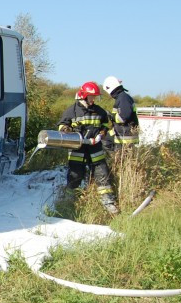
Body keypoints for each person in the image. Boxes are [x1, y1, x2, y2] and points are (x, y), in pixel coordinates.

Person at [58, 81, 120, 215]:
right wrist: (66, 129)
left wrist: (102, 133)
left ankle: (108, 202)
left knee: (102, 173)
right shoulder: (71, 111)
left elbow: (105, 124)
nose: (93, 99)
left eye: (95, 97)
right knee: (75, 175)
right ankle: (69, 200)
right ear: (84, 96)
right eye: (92, 97)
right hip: (78, 149)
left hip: (95, 149)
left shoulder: (99, 111)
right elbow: (62, 125)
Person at [102, 76, 140, 148]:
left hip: (126, 138)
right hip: (123, 134)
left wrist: (111, 116)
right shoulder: (122, 97)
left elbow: (123, 118)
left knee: (105, 142)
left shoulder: (123, 98)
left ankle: (113, 154)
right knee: (105, 139)